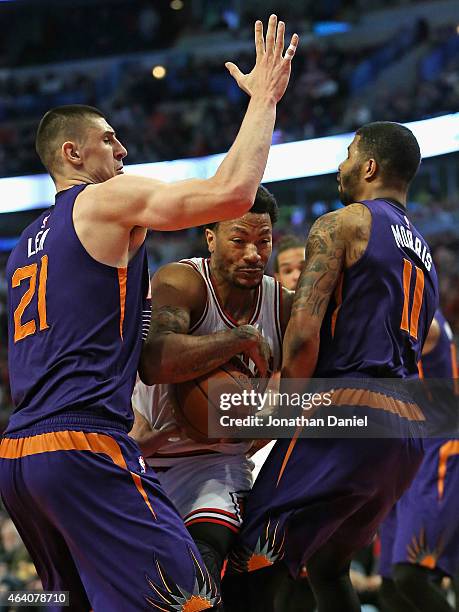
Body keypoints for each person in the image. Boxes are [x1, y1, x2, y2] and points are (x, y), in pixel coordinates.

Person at [0, 16, 298, 611]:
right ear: (72, 152)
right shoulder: (104, 197)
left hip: (19, 458)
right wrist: (265, 97)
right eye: (109, 140)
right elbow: (231, 194)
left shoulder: (23, 246)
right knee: (191, 599)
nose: (122, 150)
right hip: (83, 446)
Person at [226, 121, 439, 612]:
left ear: (368, 166)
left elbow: (302, 334)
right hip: (408, 430)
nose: (340, 166)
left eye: (347, 155)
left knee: (253, 552)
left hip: (350, 407)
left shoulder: (342, 223)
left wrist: (285, 412)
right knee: (326, 566)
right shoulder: (424, 252)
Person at [131, 185, 293, 599]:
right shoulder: (181, 280)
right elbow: (155, 362)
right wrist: (238, 339)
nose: (254, 254)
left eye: (264, 241)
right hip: (145, 453)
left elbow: (302, 397)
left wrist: (260, 425)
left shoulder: (282, 304)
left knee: (203, 571)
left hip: (215, 464)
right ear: (210, 238)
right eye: (239, 241)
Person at [379, 309, 459, 612]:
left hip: (436, 450)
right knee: (389, 587)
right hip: (399, 457)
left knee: (411, 576)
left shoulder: (425, 320)